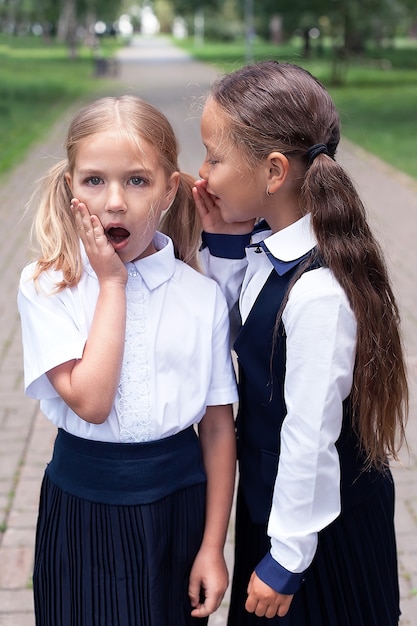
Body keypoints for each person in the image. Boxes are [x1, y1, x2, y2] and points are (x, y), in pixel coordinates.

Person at [193, 60, 408, 626]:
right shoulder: (272, 250)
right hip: (279, 505)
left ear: (273, 171)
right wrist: (223, 243)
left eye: (215, 157)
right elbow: (242, 328)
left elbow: (310, 432)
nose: (204, 174)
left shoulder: (317, 292)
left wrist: (286, 558)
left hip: (317, 530)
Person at [18, 95, 238, 626]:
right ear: (71, 185)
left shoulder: (200, 295)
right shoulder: (48, 285)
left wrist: (213, 547)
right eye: (94, 180)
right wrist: (112, 283)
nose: (114, 201)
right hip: (83, 504)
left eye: (137, 181)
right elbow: (91, 403)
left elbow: (217, 429)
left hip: (177, 506)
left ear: (169, 188)